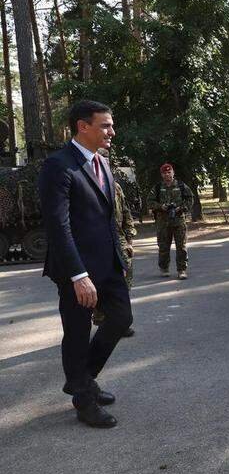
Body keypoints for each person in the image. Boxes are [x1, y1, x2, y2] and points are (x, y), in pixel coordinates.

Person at [38, 100, 133, 428]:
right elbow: (58, 225)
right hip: (76, 270)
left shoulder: (102, 162)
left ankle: (81, 380)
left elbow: (108, 219)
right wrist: (79, 275)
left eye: (111, 124)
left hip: (108, 265)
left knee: (121, 318)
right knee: (77, 333)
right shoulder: (58, 165)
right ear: (83, 126)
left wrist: (119, 258)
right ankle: (83, 399)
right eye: (105, 125)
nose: (111, 131)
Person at [92, 179, 137, 337]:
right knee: (100, 282)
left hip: (119, 239)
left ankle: (120, 322)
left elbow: (126, 212)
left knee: (124, 282)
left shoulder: (115, 186)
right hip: (97, 240)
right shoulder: (88, 184)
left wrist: (129, 240)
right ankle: (102, 321)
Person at [147, 163, 193, 279]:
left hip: (179, 221)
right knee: (163, 246)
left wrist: (181, 208)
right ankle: (164, 268)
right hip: (163, 222)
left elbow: (190, 199)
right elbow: (149, 201)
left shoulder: (181, 185)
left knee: (181, 246)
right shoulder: (158, 188)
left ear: (173, 172)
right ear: (162, 175)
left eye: (169, 172)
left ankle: (182, 270)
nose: (167, 174)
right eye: (165, 173)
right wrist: (160, 206)